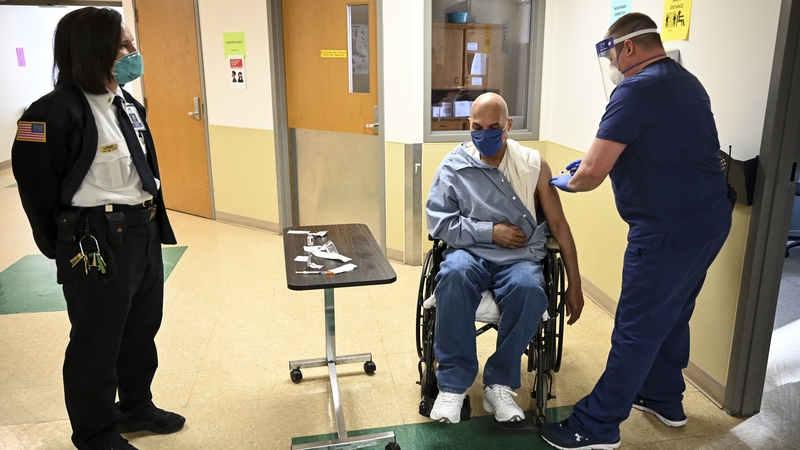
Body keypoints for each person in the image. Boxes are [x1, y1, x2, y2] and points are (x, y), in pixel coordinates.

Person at [542, 12, 732, 449]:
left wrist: (563, 181)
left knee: (636, 325)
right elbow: (658, 150)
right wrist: (592, 168)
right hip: (708, 222)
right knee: (673, 314)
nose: (609, 63)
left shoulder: (635, 89)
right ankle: (664, 396)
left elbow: (591, 173)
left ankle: (597, 425)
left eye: (609, 52)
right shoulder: (686, 81)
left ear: (628, 47)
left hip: (666, 229)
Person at [11, 7, 184, 450]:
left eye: (131, 43)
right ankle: (95, 433)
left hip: (141, 234)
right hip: (95, 241)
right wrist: (63, 247)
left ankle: (135, 408)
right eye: (123, 45)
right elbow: (35, 190)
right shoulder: (46, 114)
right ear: (92, 50)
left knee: (141, 330)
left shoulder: (127, 103)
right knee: (96, 342)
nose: (133, 51)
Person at [426, 92, 584, 424]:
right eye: (477, 126)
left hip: (519, 258)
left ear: (508, 126)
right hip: (469, 253)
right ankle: (453, 386)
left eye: (493, 126)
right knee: (452, 274)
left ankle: (499, 383)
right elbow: (439, 222)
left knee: (530, 289)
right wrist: (489, 232)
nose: (484, 133)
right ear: (469, 126)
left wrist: (575, 284)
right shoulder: (454, 166)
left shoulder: (532, 164)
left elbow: (559, 225)